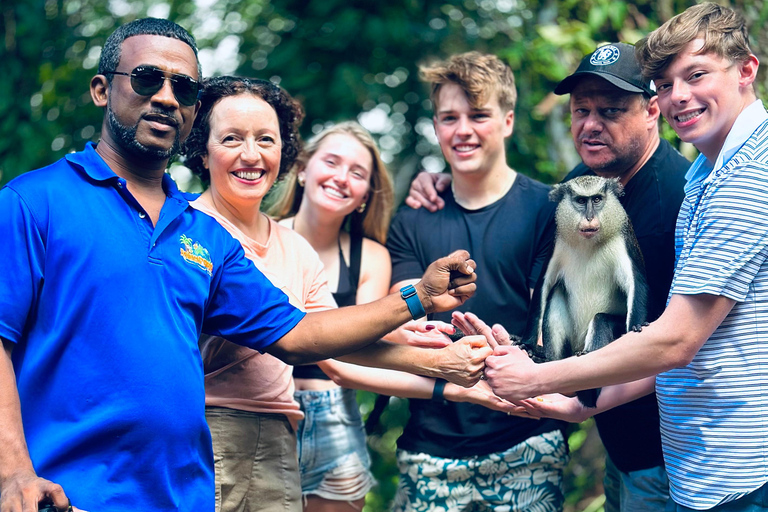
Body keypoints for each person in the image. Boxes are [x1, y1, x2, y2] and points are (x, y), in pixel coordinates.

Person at [0, 19, 483, 512]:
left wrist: (418, 298)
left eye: (184, 88)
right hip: (67, 496)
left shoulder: (202, 235)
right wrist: (12, 471)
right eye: (148, 79)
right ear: (102, 89)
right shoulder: (34, 202)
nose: (167, 97)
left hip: (185, 497)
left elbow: (299, 336)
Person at [476, 4, 768, 511]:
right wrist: (572, 398)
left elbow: (674, 340)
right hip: (681, 457)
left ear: (746, 70)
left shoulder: (722, 184)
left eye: (696, 75)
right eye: (666, 83)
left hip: (728, 467)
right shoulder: (704, 174)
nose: (679, 95)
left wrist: (544, 381)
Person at [407, 43, 691, 512]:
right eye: (582, 111)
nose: (591, 124)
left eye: (611, 110)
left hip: (670, 455)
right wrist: (440, 180)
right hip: (620, 449)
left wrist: (568, 395)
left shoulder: (675, 201)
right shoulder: (587, 180)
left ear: (652, 111)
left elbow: (681, 346)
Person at [268, 121, 513, 511]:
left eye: (358, 173)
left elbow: (361, 345)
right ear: (302, 168)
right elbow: (331, 358)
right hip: (262, 413)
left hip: (335, 418)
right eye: (331, 162)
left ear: (366, 193)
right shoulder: (258, 241)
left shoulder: (371, 257)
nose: (341, 178)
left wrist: (410, 333)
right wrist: (447, 381)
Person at [385, 51, 568, 511]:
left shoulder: (547, 210)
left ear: (507, 121)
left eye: (478, 115)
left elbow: (554, 328)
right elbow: (401, 319)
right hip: (430, 451)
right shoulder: (412, 221)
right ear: (435, 125)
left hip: (528, 444)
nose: (462, 130)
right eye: (449, 117)